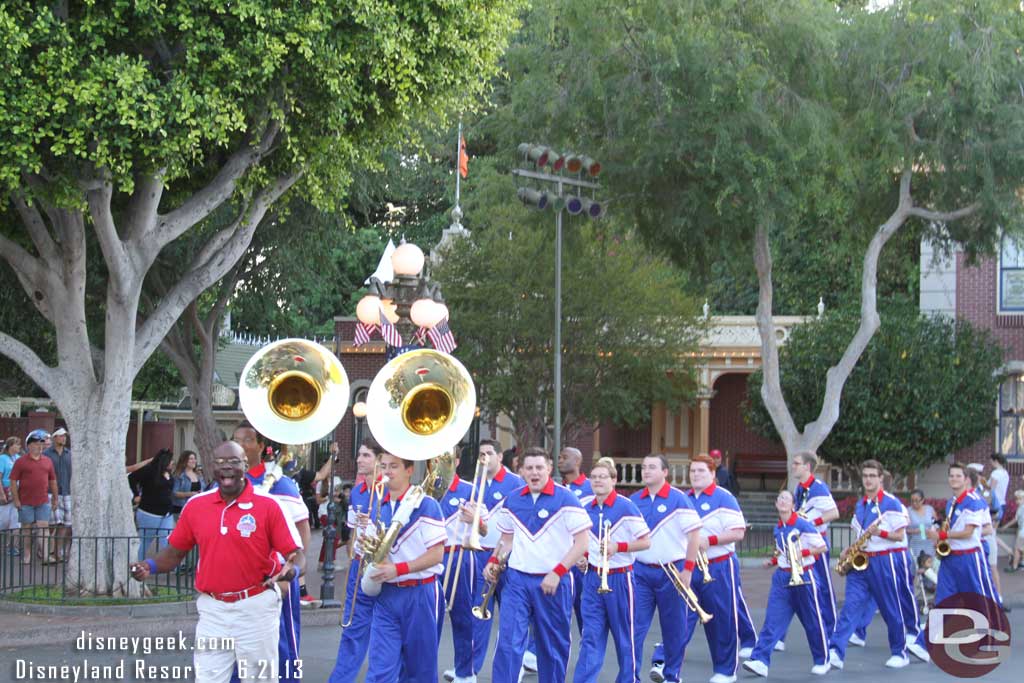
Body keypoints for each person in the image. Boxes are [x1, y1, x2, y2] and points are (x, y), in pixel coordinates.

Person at [130, 440, 304, 683]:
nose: (226, 468)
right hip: (212, 610)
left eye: (233, 462)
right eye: (220, 462)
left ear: (245, 464)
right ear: (211, 467)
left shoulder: (268, 505)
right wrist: (151, 566)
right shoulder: (196, 506)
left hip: (256, 607)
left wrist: (292, 569)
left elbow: (296, 553)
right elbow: (175, 552)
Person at [486, 446, 591, 683]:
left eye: (539, 468)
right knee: (508, 642)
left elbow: (582, 542)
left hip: (554, 581)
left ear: (549, 469)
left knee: (552, 646)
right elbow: (506, 539)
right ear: (521, 470)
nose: (535, 473)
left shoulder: (566, 498)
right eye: (529, 468)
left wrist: (558, 572)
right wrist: (493, 561)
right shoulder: (512, 499)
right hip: (517, 580)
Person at [829, 459, 929, 671]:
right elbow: (861, 535)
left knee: (890, 607)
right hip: (863, 560)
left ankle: (900, 652)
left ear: (881, 478)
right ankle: (836, 651)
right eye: (865, 476)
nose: (868, 480)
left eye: (872, 476)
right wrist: (850, 549)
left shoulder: (891, 503)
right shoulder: (861, 504)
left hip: (886, 559)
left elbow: (900, 534)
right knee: (850, 606)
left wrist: (880, 532)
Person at [362, 450, 447, 683]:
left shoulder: (426, 504)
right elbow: (371, 554)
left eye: (394, 466)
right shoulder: (379, 505)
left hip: (421, 593)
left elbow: (437, 554)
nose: (387, 471)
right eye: (384, 466)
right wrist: (366, 548)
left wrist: (398, 569)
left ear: (409, 470)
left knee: (420, 670)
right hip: (387, 595)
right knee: (380, 668)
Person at [575, 457, 651, 683]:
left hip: (620, 578)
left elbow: (646, 542)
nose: (597, 481)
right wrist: (583, 557)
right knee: (590, 637)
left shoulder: (626, 506)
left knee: (624, 638)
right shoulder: (584, 507)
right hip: (592, 578)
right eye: (594, 477)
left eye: (603, 477)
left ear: (614, 480)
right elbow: (581, 542)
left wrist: (619, 547)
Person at [742, 490, 830, 677]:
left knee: (813, 622)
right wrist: (772, 562)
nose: (782, 501)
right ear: (776, 504)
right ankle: (760, 660)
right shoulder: (778, 527)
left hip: (804, 576)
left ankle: (823, 659)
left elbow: (822, 547)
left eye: (786, 499)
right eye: (780, 498)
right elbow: (783, 552)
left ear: (793, 505)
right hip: (782, 578)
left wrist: (802, 554)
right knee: (772, 620)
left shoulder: (802, 524)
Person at [680, 454, 751, 683]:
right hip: (690, 566)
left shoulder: (723, 497)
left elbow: (738, 532)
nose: (696, 475)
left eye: (701, 471)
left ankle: (725, 670)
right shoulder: (684, 498)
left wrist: (708, 541)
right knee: (680, 615)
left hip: (719, 565)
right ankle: (666, 663)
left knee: (723, 618)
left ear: (712, 474)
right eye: (693, 471)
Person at [630, 453, 701, 683]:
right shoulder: (634, 500)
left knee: (674, 629)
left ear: (665, 472)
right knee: (635, 628)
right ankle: (631, 676)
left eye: (652, 467)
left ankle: (672, 676)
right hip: (640, 572)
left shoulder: (679, 499)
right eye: (643, 467)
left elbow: (694, 536)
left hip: (673, 571)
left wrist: (688, 570)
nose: (646, 471)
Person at [464, 439, 525, 680]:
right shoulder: (475, 484)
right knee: (479, 614)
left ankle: (514, 667)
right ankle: (471, 670)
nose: (485, 458)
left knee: (511, 618)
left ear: (500, 456)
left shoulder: (515, 483)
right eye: (481, 454)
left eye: (489, 453)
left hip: (508, 557)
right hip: (481, 555)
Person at [328, 438, 381, 683]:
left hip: (383, 566)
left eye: (366, 455)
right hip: (360, 565)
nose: (359, 460)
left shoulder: (389, 489)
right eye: (359, 455)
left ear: (379, 460)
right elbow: (353, 534)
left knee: (386, 633)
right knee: (352, 628)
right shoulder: (358, 492)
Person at [437, 450, 487, 683]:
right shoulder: (426, 489)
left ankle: (465, 672)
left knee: (462, 616)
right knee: (427, 618)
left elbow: (485, 530)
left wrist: (474, 519)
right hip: (431, 557)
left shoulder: (469, 489)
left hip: (459, 555)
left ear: (457, 462)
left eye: (445, 459)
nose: (440, 464)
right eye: (436, 459)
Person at [783, 452, 839, 641]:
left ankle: (831, 631)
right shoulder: (800, 487)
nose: (793, 466)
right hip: (802, 543)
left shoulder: (818, 488)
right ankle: (780, 635)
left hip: (816, 544)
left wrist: (811, 523)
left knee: (823, 587)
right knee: (796, 587)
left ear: (807, 466)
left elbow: (834, 513)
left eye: (797, 463)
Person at [557, 445, 592, 644]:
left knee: (583, 611)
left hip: (581, 561)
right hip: (560, 558)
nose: (560, 460)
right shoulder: (557, 488)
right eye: (560, 457)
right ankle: (536, 653)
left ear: (577, 461)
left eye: (565, 457)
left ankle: (588, 654)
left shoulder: (590, 488)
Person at [9, 430, 58, 564]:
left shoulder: (47, 461)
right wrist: (16, 500)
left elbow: (52, 480)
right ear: (29, 446)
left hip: (42, 500)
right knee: (27, 529)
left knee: (44, 527)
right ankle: (27, 554)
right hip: (25, 501)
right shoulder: (21, 461)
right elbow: (13, 481)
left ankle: (46, 555)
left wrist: (55, 498)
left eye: (41, 444)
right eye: (37, 444)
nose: (40, 446)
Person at [129, 448, 177, 562]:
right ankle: (138, 563)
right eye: (170, 461)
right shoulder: (149, 471)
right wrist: (135, 495)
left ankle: (167, 563)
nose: (172, 463)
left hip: (166, 513)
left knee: (166, 539)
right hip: (149, 512)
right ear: (164, 461)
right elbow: (132, 478)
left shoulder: (169, 473)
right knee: (145, 540)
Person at [43, 427, 72, 560]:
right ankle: (46, 550)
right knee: (51, 524)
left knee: (65, 524)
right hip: (50, 493)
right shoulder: (46, 454)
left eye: (65, 436)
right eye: (61, 436)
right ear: (54, 438)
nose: (64, 438)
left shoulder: (69, 453)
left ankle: (57, 552)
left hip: (67, 492)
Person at [172, 450, 206, 517]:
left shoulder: (199, 475)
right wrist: (189, 494)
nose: (194, 461)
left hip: (197, 508)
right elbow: (174, 493)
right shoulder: (179, 475)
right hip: (181, 509)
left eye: (194, 459)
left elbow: (204, 489)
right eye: (191, 459)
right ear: (184, 460)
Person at [0, 436, 22, 537]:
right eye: (17, 444)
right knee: (4, 520)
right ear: (10, 446)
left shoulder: (19, 458)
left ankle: (14, 547)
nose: (19, 446)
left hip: (17, 490)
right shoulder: (2, 458)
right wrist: (2, 494)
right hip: (6, 490)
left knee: (15, 521)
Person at [906, 489, 936, 560]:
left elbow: (936, 523)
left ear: (922, 500)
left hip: (929, 544)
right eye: (912, 501)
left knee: (929, 568)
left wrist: (934, 530)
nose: (914, 503)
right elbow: (903, 530)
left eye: (917, 500)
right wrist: (914, 531)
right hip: (915, 545)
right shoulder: (908, 511)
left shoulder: (929, 509)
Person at [1001, 489, 1024, 572]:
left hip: (1022, 533)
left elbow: (1015, 519)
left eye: (1019, 499)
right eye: (1016, 499)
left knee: (1017, 549)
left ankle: (1014, 567)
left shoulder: (1021, 508)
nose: (1017, 501)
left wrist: (1006, 526)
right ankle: (1021, 563)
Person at [988, 453, 1010, 523]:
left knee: (990, 525)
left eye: (991, 461)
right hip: (1002, 502)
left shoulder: (995, 473)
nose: (990, 463)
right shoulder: (1005, 473)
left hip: (994, 503)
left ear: (996, 461)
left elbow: (992, 489)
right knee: (994, 528)